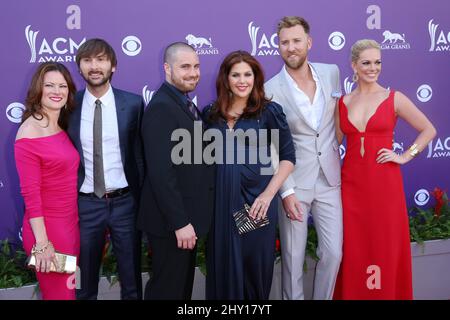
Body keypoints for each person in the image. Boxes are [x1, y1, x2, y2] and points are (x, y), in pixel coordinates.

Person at [333, 39, 436, 300]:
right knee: (355, 248)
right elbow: (332, 144)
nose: (373, 68)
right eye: (366, 62)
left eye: (377, 62)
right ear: (353, 65)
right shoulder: (342, 103)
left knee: (384, 246)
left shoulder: (394, 98)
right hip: (352, 186)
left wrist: (404, 156)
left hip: (385, 185)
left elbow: (429, 130)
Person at [204, 50, 295, 300]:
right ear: (226, 78)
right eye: (236, 75)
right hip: (221, 205)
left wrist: (267, 196)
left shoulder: (268, 112)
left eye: (248, 74)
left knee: (254, 271)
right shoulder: (211, 114)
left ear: (256, 78)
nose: (242, 80)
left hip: (255, 204)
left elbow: (288, 158)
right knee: (223, 269)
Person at [264, 16, 343, 300]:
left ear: (308, 42)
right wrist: (286, 191)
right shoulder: (269, 89)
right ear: (278, 47)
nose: (291, 47)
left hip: (330, 179)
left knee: (333, 253)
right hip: (295, 184)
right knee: (293, 259)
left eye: (296, 41)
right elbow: (271, 146)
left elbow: (337, 119)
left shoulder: (331, 72)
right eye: (284, 42)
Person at [137, 42, 215, 300]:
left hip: (183, 221)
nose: (193, 73)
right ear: (167, 68)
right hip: (171, 224)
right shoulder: (162, 107)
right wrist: (180, 222)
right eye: (185, 67)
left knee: (180, 290)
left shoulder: (181, 102)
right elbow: (161, 173)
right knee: (167, 291)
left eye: (196, 66)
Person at [67, 38, 144, 300]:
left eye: (101, 59)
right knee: (84, 284)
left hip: (125, 203)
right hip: (86, 205)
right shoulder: (68, 107)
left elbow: (139, 155)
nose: (94, 66)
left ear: (114, 66)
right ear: (79, 68)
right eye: (88, 60)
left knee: (132, 281)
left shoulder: (133, 104)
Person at [14, 62, 79, 300]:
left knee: (66, 293)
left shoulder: (59, 124)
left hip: (70, 226)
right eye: (49, 85)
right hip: (49, 234)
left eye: (62, 86)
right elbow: (31, 196)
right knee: (60, 296)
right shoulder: (29, 132)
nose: (57, 91)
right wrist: (42, 245)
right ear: (37, 90)